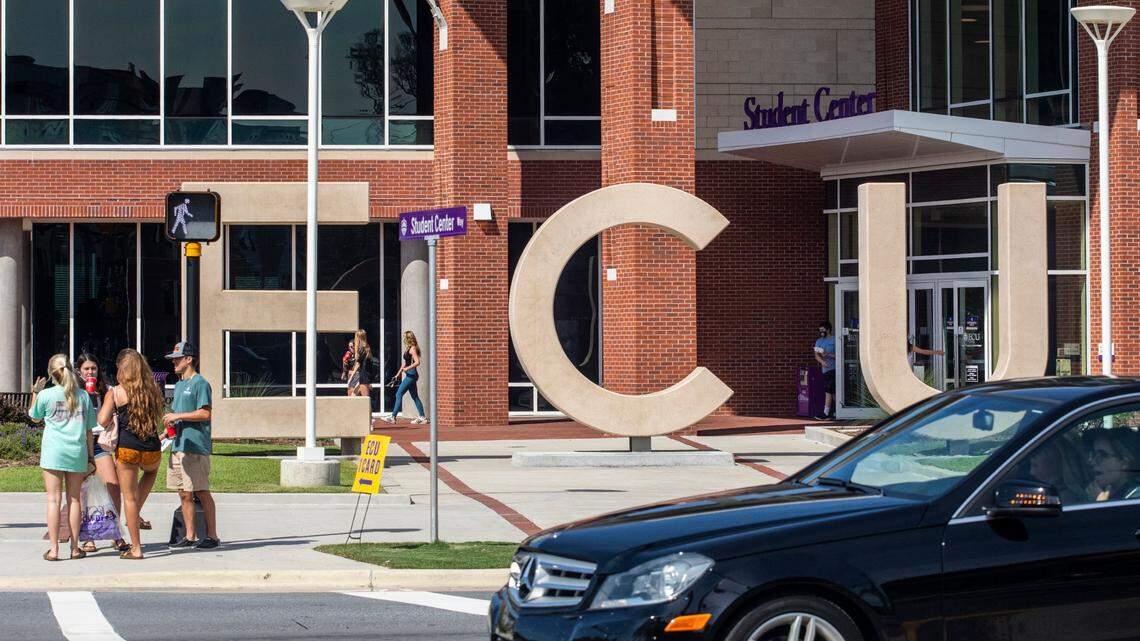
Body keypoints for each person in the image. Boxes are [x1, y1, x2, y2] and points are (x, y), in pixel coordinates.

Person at [29, 354, 97, 561]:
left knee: (53, 500)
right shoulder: (83, 396)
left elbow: (34, 416)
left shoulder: (46, 395)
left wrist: (35, 392)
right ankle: (75, 548)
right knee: (75, 499)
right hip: (76, 451)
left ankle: (54, 550)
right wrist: (91, 457)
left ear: (52, 374)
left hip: (53, 452)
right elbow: (88, 431)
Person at [99, 349, 163, 560]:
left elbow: (102, 420)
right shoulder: (153, 389)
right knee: (151, 473)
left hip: (127, 449)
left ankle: (136, 548)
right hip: (152, 447)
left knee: (129, 499)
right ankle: (136, 512)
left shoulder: (116, 392)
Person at [162, 342, 220, 550]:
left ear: (189, 359)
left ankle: (212, 536)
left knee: (201, 491)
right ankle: (190, 536)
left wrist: (178, 415)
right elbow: (180, 419)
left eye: (177, 358)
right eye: (173, 359)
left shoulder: (200, 383)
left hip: (195, 447)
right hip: (178, 446)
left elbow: (205, 413)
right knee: (183, 492)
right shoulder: (178, 385)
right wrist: (166, 432)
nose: (174, 362)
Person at [75, 354, 129, 554]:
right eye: (87, 369)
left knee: (113, 486)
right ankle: (88, 537)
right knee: (84, 490)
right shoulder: (76, 392)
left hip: (100, 442)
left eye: (94, 368)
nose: (90, 372)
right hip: (81, 443)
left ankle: (115, 533)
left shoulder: (106, 390)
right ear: (79, 371)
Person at [382, 331, 427, 424]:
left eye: (404, 337)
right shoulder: (408, 348)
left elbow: (417, 362)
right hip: (409, 374)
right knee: (415, 396)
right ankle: (422, 417)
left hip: (411, 375)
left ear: (408, 338)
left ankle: (393, 416)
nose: (403, 339)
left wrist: (408, 368)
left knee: (398, 394)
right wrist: (397, 375)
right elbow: (404, 364)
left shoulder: (413, 349)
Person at [1086, 428, 1140, 502]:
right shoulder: (1104, 492)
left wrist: (1100, 504)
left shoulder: (1135, 497)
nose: (1092, 462)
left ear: (1124, 462)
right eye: (1094, 454)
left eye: (1103, 455)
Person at [813, 322, 836, 421]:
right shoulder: (819, 341)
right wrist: (822, 361)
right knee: (832, 391)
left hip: (834, 368)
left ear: (828, 330)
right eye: (820, 330)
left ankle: (826, 412)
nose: (821, 332)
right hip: (825, 369)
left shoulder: (835, 340)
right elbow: (816, 355)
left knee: (829, 390)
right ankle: (837, 411)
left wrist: (828, 354)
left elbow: (840, 355)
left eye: (823, 330)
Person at [346, 330, 373, 400]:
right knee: (353, 396)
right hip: (364, 374)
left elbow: (358, 363)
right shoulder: (367, 347)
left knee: (365, 399)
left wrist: (352, 375)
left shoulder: (362, 348)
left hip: (364, 374)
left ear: (358, 337)